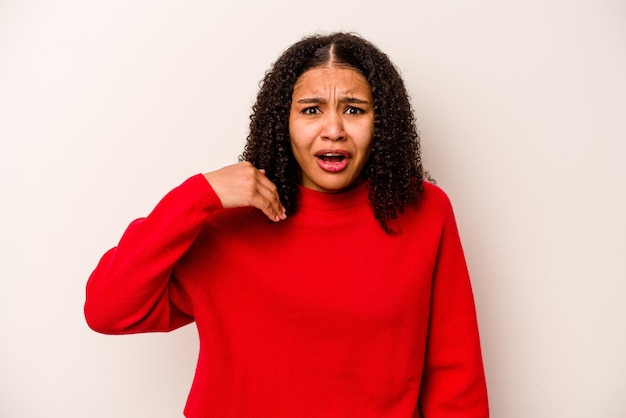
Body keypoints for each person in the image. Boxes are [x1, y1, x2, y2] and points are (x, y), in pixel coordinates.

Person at [84, 32, 489, 417]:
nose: (334, 130)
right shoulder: (232, 219)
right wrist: (197, 195)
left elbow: (455, 373)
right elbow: (107, 309)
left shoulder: (424, 211)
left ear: (381, 122)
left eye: (353, 109)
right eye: (311, 109)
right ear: (284, 122)